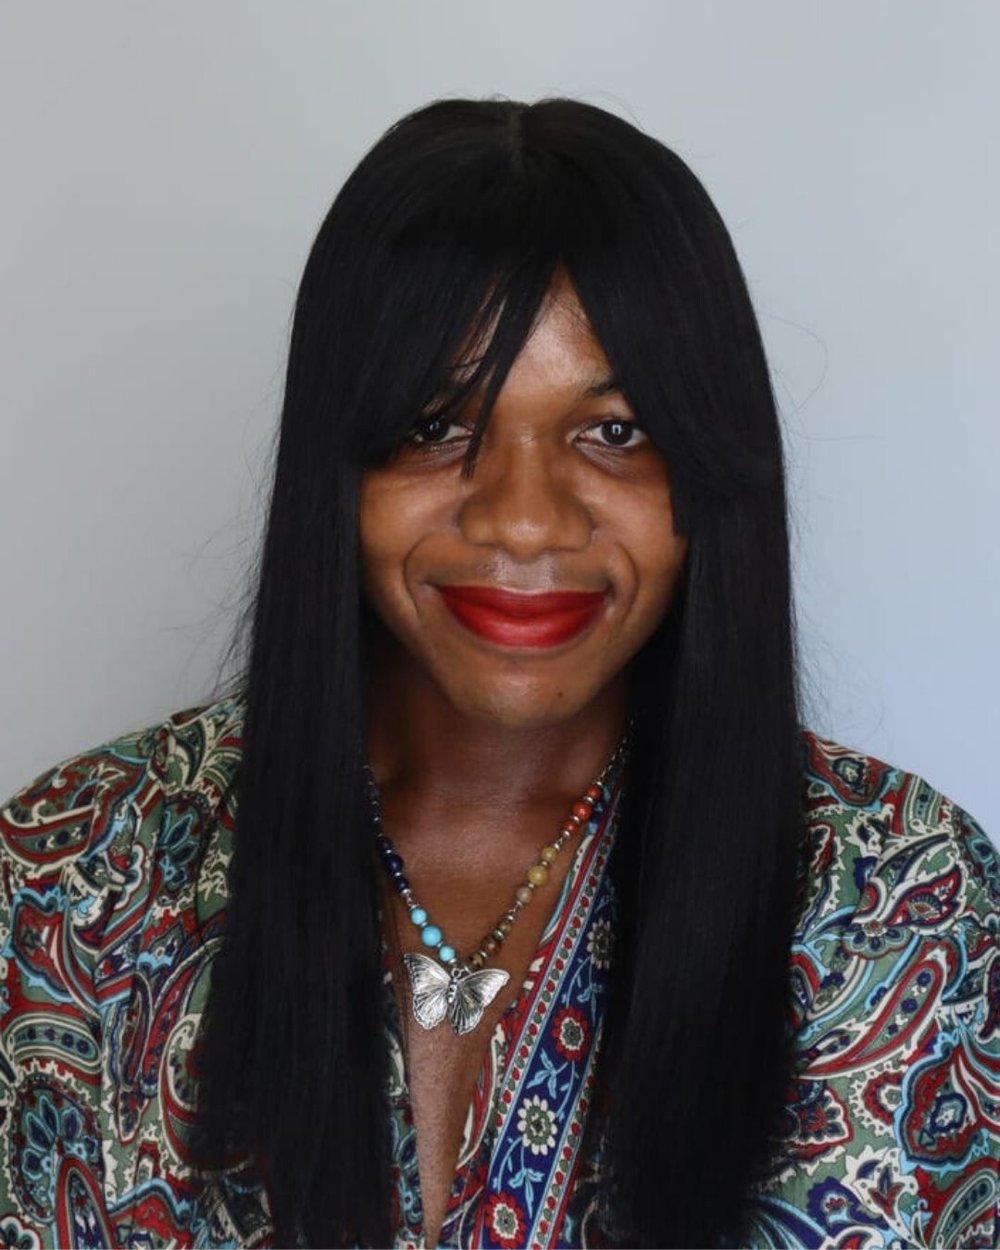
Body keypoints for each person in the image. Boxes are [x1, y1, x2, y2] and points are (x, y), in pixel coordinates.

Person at [0, 97, 997, 1250]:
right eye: (436, 421)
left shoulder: (897, 902)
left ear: (709, 472)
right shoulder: (77, 877)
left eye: (614, 430)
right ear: (336, 463)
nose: (523, 519)